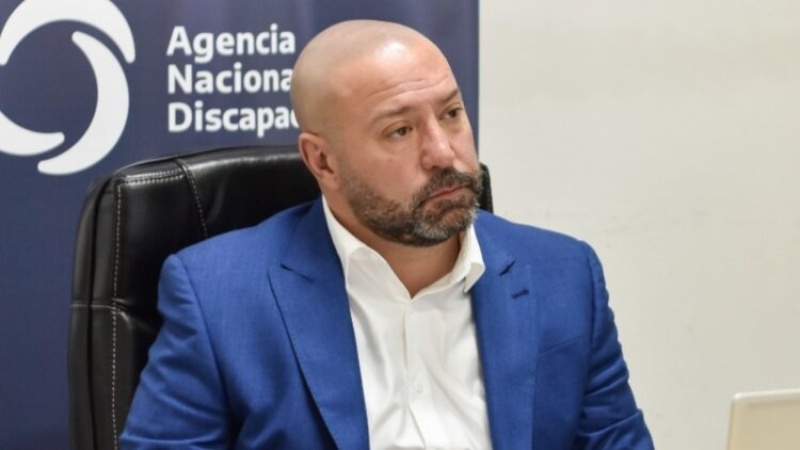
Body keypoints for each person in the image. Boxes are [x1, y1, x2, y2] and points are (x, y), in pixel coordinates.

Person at [121, 19, 654, 449]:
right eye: (400, 130)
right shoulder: (219, 298)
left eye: (451, 113)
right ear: (322, 161)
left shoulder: (564, 275)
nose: (443, 152)